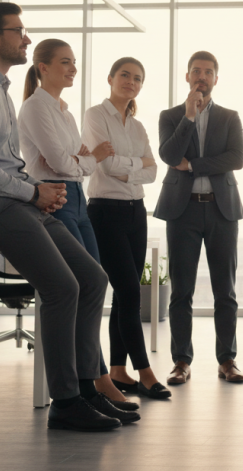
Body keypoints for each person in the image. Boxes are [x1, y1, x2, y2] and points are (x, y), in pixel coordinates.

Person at [0, 2, 125, 431]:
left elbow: (4, 162)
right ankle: (65, 402)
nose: (26, 38)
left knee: (93, 279)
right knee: (61, 287)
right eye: (19, 31)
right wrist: (32, 191)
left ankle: (86, 388)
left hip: (16, 202)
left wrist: (37, 194)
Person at [16, 38, 139, 416]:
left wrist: (83, 162)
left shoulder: (66, 113)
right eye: (64, 62)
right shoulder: (36, 108)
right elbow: (61, 162)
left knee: (94, 283)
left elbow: (78, 162)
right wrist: (87, 161)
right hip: (55, 198)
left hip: (78, 198)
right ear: (43, 67)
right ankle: (82, 387)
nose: (72, 69)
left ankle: (91, 384)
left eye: (74, 63)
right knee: (75, 287)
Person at [155, 50, 243, 386]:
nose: (202, 76)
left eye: (208, 72)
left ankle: (228, 360)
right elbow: (168, 154)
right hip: (183, 210)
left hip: (222, 209)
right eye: (196, 71)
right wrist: (189, 117)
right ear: (187, 77)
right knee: (182, 290)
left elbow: (237, 158)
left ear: (216, 79)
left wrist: (193, 165)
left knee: (226, 291)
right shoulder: (171, 116)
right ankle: (181, 361)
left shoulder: (229, 117)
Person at [82, 57, 171, 401]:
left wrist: (129, 166)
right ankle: (145, 372)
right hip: (105, 211)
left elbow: (153, 171)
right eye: (124, 75)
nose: (130, 82)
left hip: (136, 211)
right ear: (110, 78)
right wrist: (137, 166)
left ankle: (118, 369)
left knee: (125, 294)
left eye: (137, 78)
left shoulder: (137, 127)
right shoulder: (94, 116)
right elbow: (106, 166)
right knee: (132, 292)